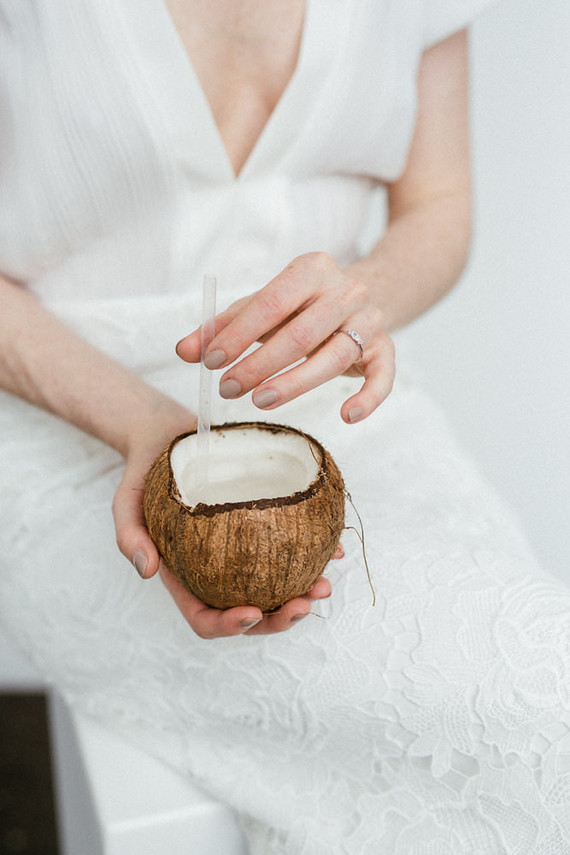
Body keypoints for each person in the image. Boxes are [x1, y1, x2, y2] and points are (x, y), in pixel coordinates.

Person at [1, 1, 569, 852]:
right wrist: (140, 423)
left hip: (341, 416)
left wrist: (361, 299)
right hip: (72, 417)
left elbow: (440, 207)